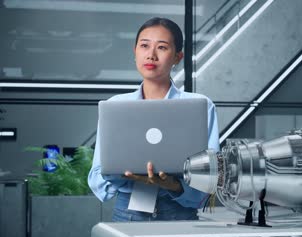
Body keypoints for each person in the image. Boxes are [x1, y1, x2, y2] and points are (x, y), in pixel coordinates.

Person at [88, 17, 219, 221]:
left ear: (177, 57)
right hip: (128, 213)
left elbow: (211, 178)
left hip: (179, 213)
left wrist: (174, 186)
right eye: (144, 46)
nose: (151, 55)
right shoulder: (116, 106)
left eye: (162, 47)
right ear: (135, 52)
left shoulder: (200, 107)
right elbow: (97, 175)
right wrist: (123, 177)